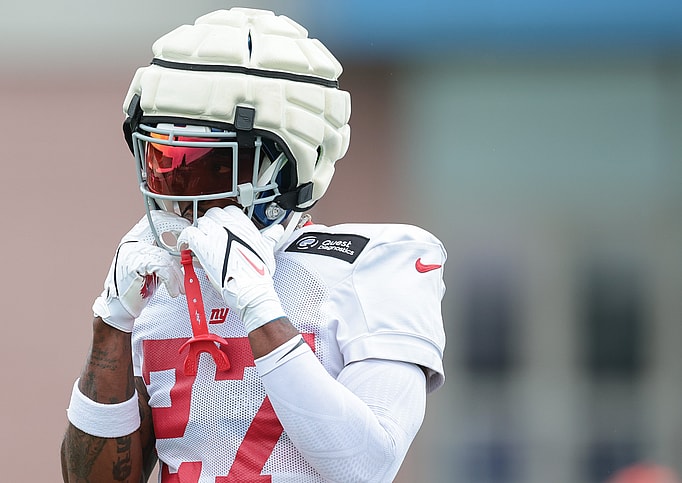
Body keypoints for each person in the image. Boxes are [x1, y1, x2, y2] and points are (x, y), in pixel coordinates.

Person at [61, 7, 447, 482]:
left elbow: (365, 467)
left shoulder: (376, 262)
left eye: (204, 164)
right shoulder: (162, 281)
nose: (179, 192)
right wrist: (111, 323)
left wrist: (260, 305)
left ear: (286, 165)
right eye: (163, 161)